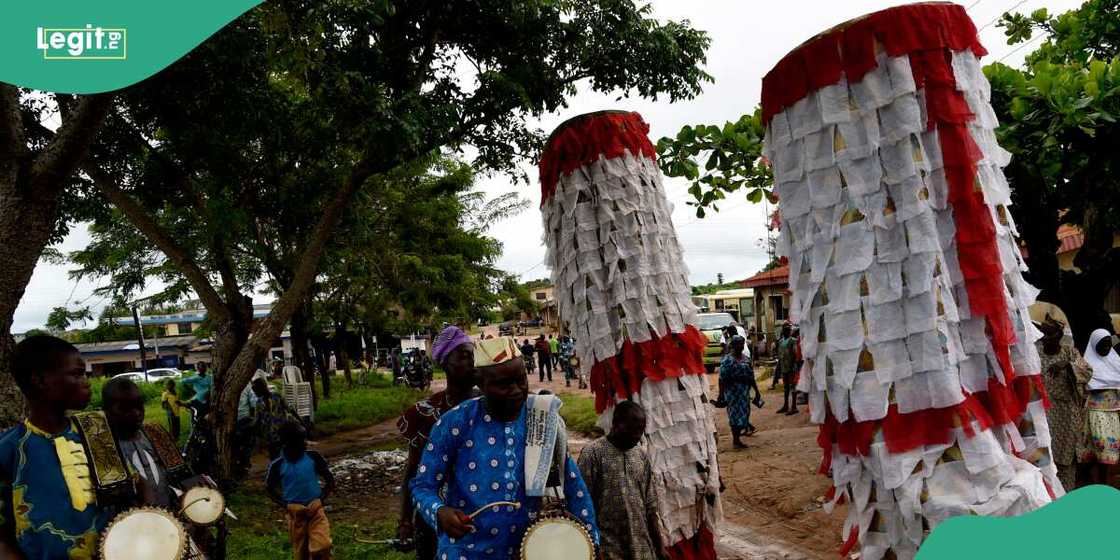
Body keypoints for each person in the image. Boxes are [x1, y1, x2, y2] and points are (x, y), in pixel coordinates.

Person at [410, 337, 599, 559]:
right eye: (503, 384)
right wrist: (440, 512)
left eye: (521, 380)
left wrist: (591, 541)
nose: (516, 390)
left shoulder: (541, 418)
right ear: (480, 383)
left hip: (530, 549)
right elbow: (422, 486)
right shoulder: (454, 424)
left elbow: (574, 488)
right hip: (466, 551)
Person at [0, 335, 110, 559]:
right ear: (40, 380)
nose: (86, 380)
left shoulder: (96, 432)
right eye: (77, 373)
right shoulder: (9, 449)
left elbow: (134, 488)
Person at [397, 326, 479, 559]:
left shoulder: (490, 404)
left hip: (481, 510)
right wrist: (405, 520)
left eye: (473, 355)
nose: (471, 362)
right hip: (436, 516)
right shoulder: (425, 414)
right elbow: (413, 470)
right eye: (463, 356)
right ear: (444, 363)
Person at [577, 401, 664, 560]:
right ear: (615, 424)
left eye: (640, 430)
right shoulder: (593, 454)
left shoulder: (641, 456)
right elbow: (581, 505)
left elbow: (650, 507)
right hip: (607, 547)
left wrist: (660, 548)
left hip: (641, 546)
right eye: (632, 430)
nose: (637, 436)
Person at [1035, 317, 1091, 490]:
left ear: (1059, 336)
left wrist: (1067, 365)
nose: (1046, 339)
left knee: (1065, 462)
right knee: (1041, 458)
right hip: (1041, 413)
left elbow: (1088, 372)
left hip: (1066, 415)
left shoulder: (1070, 353)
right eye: (1044, 335)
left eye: (1050, 335)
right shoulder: (1035, 353)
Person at [266, 421, 336, 560]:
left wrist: (320, 499)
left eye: (305, 439)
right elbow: (269, 488)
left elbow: (330, 481)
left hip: (315, 510)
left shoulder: (313, 457)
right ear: (287, 443)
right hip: (296, 514)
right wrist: (286, 505)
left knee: (323, 545)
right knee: (300, 552)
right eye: (300, 440)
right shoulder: (278, 465)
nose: (305, 443)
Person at [1078, 329, 1120, 485]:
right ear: (1094, 344)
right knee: (1103, 448)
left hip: (1113, 412)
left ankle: (1100, 482)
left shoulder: (1115, 362)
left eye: (1109, 345)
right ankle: (1094, 482)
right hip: (1096, 412)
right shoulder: (1086, 364)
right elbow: (1087, 384)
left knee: (1109, 451)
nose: (1106, 348)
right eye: (1102, 345)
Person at [720, 336, 761, 448]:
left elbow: (751, 377)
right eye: (738, 344)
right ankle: (736, 440)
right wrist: (721, 395)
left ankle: (738, 438)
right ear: (732, 345)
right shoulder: (727, 360)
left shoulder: (746, 359)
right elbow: (722, 378)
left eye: (742, 344)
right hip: (732, 393)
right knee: (734, 415)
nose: (740, 346)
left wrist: (757, 392)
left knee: (744, 414)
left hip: (744, 392)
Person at [255, 377, 304, 459]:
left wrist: (301, 421)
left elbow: (290, 409)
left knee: (286, 456)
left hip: (283, 433)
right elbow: (258, 420)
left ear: (263, 387)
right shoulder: (259, 403)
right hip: (270, 436)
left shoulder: (277, 396)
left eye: (256, 389)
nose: (255, 392)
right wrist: (258, 436)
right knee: (274, 458)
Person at [775, 325, 799, 414]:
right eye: (784, 330)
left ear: (789, 332)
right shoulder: (781, 341)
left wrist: (794, 364)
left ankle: (794, 407)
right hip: (784, 366)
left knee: (793, 387)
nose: (785, 332)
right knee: (786, 388)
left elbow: (796, 353)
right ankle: (786, 405)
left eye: (787, 330)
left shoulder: (793, 341)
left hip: (791, 367)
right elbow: (779, 353)